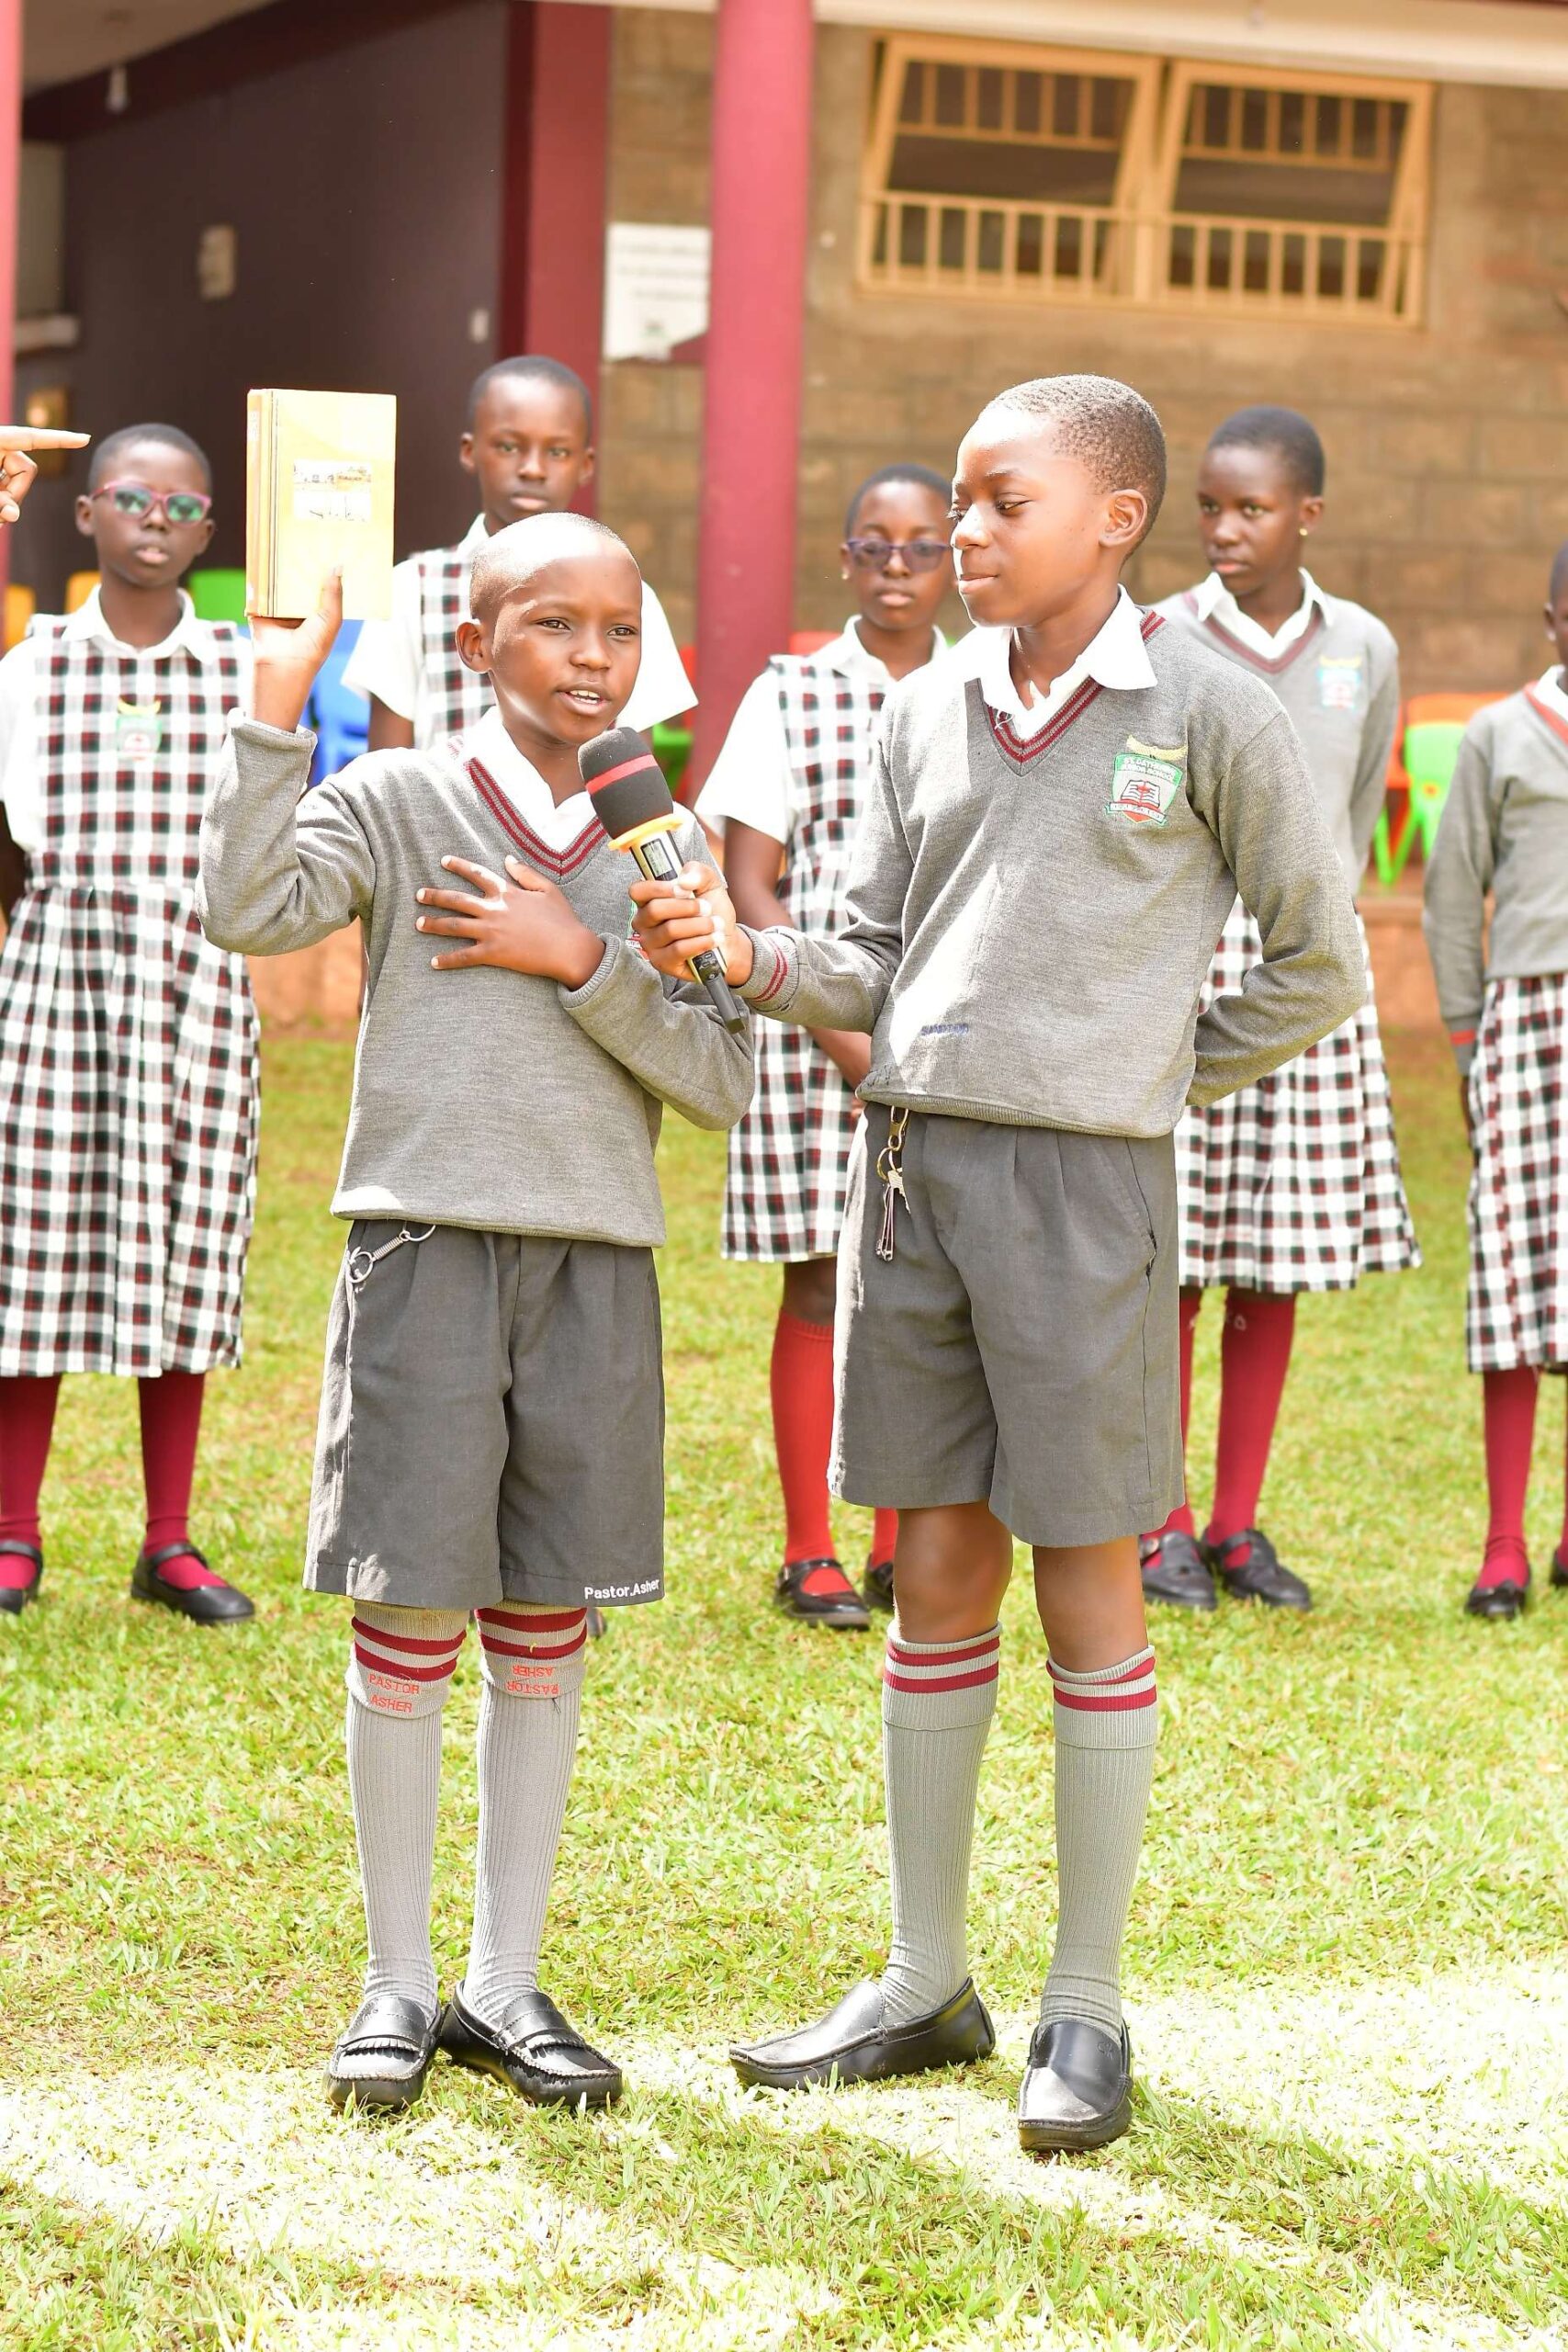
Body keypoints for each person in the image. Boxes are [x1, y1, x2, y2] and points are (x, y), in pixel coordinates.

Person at [631, 375, 1363, 2153]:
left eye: (995, 500)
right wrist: (741, 951)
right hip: (913, 1184)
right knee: (937, 1575)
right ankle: (922, 1981)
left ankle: (1086, 2011)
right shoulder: (924, 709)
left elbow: (1320, 958)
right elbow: (872, 957)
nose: (961, 533)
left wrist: (1141, 1065)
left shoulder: (1205, 708)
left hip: (1088, 1201)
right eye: (952, 503)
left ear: (1113, 518)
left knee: (1088, 1587)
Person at [198, 513, 752, 2113]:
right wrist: (271, 709)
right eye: (554, 626)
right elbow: (248, 908)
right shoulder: (393, 797)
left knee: (541, 1623)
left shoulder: (663, 842)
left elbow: (718, 1074)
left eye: (620, 632)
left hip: (593, 1262)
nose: (593, 659)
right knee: (408, 1616)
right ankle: (393, 1983)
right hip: (424, 1248)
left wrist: (579, 951)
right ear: (475, 646)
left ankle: (504, 1983)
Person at [1144, 406, 1419, 1614]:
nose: (1220, 530)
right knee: (1172, 1261)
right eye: (1206, 506)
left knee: (1272, 1258)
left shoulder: (1361, 645)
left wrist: (1316, 934)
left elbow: (1353, 809)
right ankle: (1152, 1524)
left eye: (1248, 509)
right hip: (1184, 966)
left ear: (1305, 513)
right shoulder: (1158, 641)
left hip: (1308, 971)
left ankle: (1234, 1527)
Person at [0, 423, 257, 1623]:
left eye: (182, 504)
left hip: (197, 973)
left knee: (191, 1234)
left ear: (208, 532)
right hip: (61, 963)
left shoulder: (245, 668)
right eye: (131, 497)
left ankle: (170, 1542)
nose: (155, 518)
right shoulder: (33, 664)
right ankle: (11, 1532)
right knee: (33, 1240)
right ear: (88, 514)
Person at [694, 462, 953, 1630]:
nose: (898, 567)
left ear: (952, 561)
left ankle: (900, 1539)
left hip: (953, 1042)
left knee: (920, 1286)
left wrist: (913, 1051)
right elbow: (749, 877)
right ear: (844, 559)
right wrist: (856, 1045)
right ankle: (811, 1550)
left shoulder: (985, 689)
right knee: (819, 1280)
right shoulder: (789, 692)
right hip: (814, 1025)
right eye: (875, 545)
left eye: (923, 546)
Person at [1423, 543, 1568, 1622]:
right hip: (1528, 1020)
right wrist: (1470, 1040)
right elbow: (1451, 888)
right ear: (1554, 619)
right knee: (1514, 1273)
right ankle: (1503, 1542)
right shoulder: (1500, 734)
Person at [344, 355, 693, 752]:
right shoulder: (412, 588)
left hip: (581, 815)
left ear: (586, 464)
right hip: (440, 813)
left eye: (557, 452)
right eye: (509, 447)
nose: (532, 468)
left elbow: (635, 753)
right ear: (469, 451)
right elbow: (387, 762)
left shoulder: (631, 597)